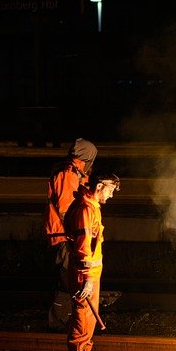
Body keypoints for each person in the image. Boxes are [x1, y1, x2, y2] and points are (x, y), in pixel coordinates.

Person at [64, 172, 120, 351]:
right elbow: (83, 247)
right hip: (84, 277)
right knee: (82, 323)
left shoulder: (91, 208)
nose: (111, 195)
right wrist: (87, 279)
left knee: (87, 324)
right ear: (99, 186)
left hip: (89, 276)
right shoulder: (86, 211)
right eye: (110, 190)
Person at [45, 138, 97, 331]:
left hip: (68, 234)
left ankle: (65, 319)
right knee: (67, 278)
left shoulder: (77, 173)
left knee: (70, 277)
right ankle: (57, 322)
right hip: (62, 234)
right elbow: (66, 209)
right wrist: (78, 232)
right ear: (87, 156)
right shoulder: (68, 174)